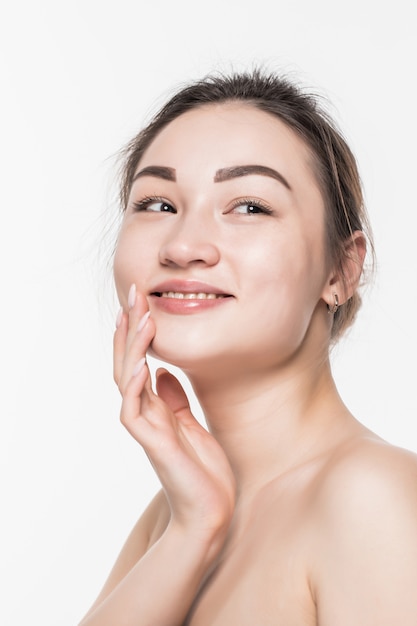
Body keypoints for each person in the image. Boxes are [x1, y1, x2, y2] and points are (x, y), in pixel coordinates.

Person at [78, 69, 417, 625]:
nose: (183, 245)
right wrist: (193, 531)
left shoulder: (372, 499)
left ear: (341, 269)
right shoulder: (172, 515)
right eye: (158, 204)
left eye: (249, 206)